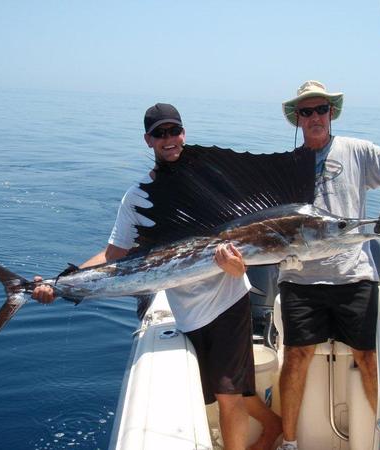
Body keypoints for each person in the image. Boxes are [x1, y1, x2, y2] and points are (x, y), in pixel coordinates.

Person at [32, 103, 281, 450]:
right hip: (188, 311)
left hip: (228, 301)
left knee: (228, 396)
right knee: (224, 389)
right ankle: (274, 425)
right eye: (160, 133)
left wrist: (241, 268)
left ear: (184, 133)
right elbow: (114, 255)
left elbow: (250, 244)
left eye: (174, 131)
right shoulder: (136, 198)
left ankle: (267, 432)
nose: (169, 139)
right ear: (148, 140)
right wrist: (60, 283)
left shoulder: (212, 183)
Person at [275, 81, 380, 450]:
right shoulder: (286, 166)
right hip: (300, 277)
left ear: (331, 113)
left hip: (353, 274)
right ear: (297, 119)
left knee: (368, 356)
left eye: (321, 109)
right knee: (295, 355)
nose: (315, 117)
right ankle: (289, 443)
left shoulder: (358, 151)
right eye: (307, 111)